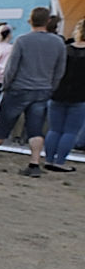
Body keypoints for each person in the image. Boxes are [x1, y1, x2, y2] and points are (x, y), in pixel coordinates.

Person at [0, 7, 67, 177]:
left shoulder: (22, 41)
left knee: (3, 125)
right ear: (48, 22)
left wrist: (6, 86)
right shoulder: (58, 42)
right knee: (35, 129)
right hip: (43, 89)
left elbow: (11, 67)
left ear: (30, 20)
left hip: (19, 88)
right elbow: (60, 70)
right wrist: (51, 86)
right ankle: (34, 163)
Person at [42, 19, 84, 172]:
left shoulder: (64, 49)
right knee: (70, 131)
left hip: (58, 93)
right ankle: (60, 161)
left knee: (54, 129)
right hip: (80, 96)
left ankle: (48, 159)